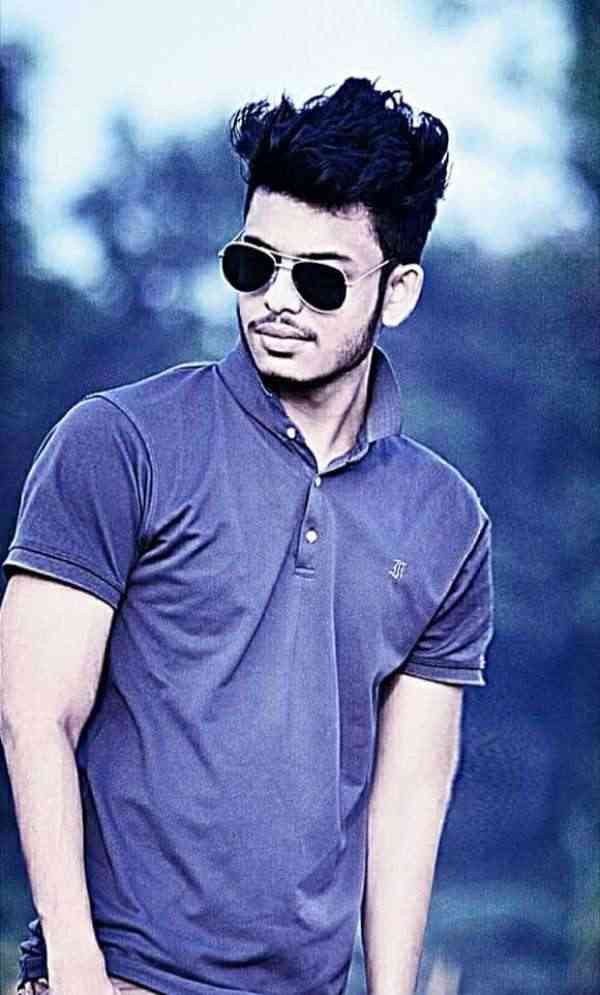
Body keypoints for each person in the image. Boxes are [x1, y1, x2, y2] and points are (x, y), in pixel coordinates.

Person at [0, 77, 493, 995]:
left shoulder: (446, 520)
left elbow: (409, 796)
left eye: (320, 278)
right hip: (117, 978)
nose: (277, 300)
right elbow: (34, 715)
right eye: (253, 265)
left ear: (398, 292)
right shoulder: (120, 441)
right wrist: (74, 967)